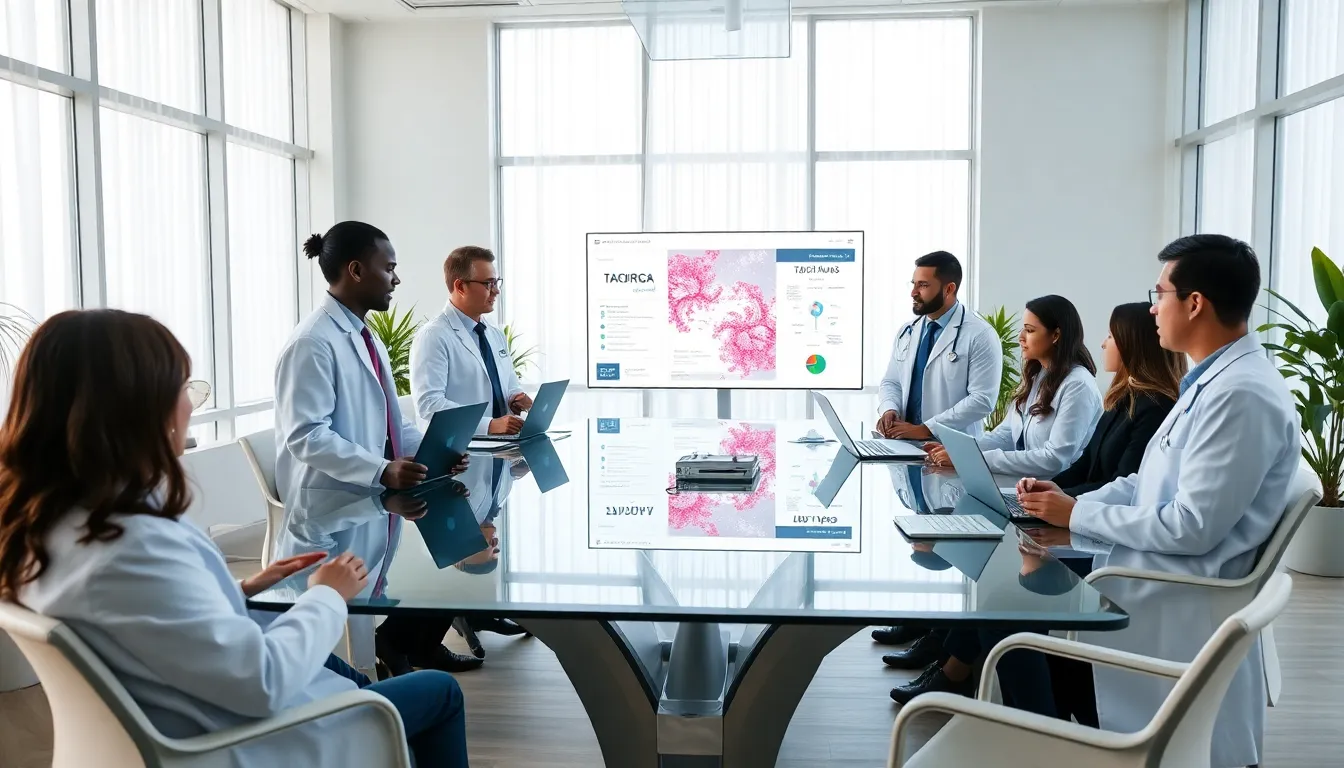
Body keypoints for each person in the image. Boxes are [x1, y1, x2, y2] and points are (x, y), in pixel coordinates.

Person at [0, 310, 469, 767]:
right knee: (438, 691)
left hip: (191, 705)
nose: (189, 403)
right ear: (137, 407)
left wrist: (237, 590)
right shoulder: (135, 543)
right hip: (239, 738)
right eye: (182, 387)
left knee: (338, 669)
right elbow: (263, 682)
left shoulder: (42, 526)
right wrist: (327, 596)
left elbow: (144, 619)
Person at [1017, 234, 1297, 768]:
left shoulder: (1241, 394)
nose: (1152, 306)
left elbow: (1192, 527)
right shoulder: (1210, 380)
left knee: (1020, 637)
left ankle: (1060, 748)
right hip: (1151, 575)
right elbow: (1146, 483)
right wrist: (1069, 503)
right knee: (1024, 624)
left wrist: (1078, 514)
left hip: (1174, 599)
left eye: (1160, 291)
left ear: (1195, 303)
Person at [887, 302, 1186, 715]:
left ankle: (997, 694)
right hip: (1079, 514)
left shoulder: (1132, 401)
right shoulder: (1119, 398)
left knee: (997, 581)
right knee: (983, 558)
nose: (1102, 343)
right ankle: (952, 658)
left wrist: (1061, 501)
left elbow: (1108, 478)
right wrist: (1037, 488)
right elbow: (1078, 462)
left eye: (1112, 337)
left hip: (1103, 539)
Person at [275, 221, 480, 673]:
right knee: (332, 637)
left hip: (369, 502)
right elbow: (305, 435)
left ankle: (375, 679)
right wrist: (383, 470)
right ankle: (358, 695)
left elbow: (392, 423)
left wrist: (432, 450)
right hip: (329, 512)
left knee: (367, 611)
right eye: (389, 269)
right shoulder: (313, 342)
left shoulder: (366, 338)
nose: (397, 279)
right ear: (356, 271)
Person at [872, 251, 1003, 646]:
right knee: (920, 542)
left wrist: (925, 427)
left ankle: (942, 640)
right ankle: (922, 627)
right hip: (908, 456)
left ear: (949, 288)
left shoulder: (979, 335)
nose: (913, 291)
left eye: (922, 284)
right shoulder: (909, 331)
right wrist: (889, 410)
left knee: (951, 553)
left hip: (947, 457)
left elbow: (983, 399)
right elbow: (890, 380)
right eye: (913, 283)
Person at [924, 294, 1102, 478]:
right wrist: (961, 451)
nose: (1021, 337)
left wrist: (971, 460)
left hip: (1057, 492)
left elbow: (1054, 459)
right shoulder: (1037, 377)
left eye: (1030, 330)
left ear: (1056, 335)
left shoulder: (1078, 385)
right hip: (1024, 486)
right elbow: (1006, 436)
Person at [411, 246, 532, 437]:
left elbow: (509, 385)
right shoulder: (433, 336)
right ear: (460, 287)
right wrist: (489, 426)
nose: (496, 291)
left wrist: (516, 398)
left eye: (496, 282)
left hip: (499, 447)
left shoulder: (494, 333)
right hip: (458, 452)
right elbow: (430, 404)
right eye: (488, 284)